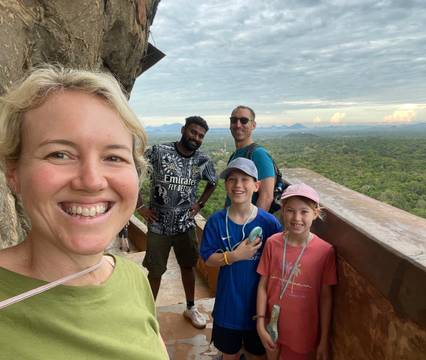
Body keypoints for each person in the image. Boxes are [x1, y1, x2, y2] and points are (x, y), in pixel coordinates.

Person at [0, 65, 168, 359]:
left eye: (113, 157)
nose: (91, 181)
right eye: (60, 154)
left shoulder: (133, 279)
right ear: (13, 171)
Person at [138, 116, 217, 329]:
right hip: (158, 225)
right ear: (184, 130)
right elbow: (136, 170)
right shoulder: (159, 152)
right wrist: (139, 206)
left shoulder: (203, 160)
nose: (196, 138)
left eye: (201, 136)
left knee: (188, 266)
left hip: (185, 225)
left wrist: (199, 204)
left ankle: (191, 307)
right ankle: (148, 313)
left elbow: (213, 182)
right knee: (155, 270)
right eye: (193, 132)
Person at [200, 158, 282, 360]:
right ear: (226, 185)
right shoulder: (216, 222)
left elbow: (278, 265)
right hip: (228, 308)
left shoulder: (269, 223)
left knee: (257, 354)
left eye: (245, 179)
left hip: (259, 309)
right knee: (229, 354)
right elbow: (208, 257)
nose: (238, 185)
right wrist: (234, 256)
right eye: (232, 179)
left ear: (256, 185)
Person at [256, 183, 337, 360]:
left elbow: (325, 297)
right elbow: (263, 285)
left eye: (304, 211)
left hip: (303, 332)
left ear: (315, 213)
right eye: (290, 210)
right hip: (272, 326)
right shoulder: (272, 243)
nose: (296, 218)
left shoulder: (325, 251)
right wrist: (260, 324)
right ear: (283, 211)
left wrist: (323, 340)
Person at [228, 105, 275, 211]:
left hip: (247, 224)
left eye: (244, 120)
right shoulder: (234, 156)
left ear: (253, 125)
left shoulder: (259, 155)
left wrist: (251, 226)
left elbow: (266, 197)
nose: (238, 125)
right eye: (234, 120)